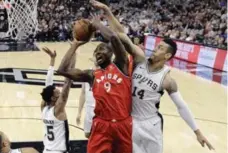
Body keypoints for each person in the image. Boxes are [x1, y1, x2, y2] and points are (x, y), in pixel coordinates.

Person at [89, 1, 215, 153]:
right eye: (157, 46)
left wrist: (197, 132)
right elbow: (122, 36)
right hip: (131, 122)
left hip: (152, 124)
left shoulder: (167, 80)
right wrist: (107, 11)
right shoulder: (139, 59)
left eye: (160, 48)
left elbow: (181, 106)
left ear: (167, 55)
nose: (155, 49)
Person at [57, 16, 132, 153]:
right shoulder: (91, 75)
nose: (98, 53)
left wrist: (98, 25)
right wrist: (75, 45)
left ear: (111, 54)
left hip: (123, 124)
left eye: (102, 50)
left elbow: (114, 38)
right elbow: (62, 70)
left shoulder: (121, 66)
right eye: (96, 51)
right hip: (101, 125)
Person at [41, 47, 74, 153]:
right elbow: (67, 84)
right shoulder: (58, 110)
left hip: (46, 150)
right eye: (57, 92)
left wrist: (52, 60)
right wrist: (73, 54)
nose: (59, 91)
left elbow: (48, 86)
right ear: (53, 98)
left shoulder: (44, 108)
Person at [76, 58, 98, 138]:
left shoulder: (105, 73)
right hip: (89, 110)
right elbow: (83, 93)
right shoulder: (87, 73)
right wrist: (79, 112)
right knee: (87, 134)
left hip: (100, 111)